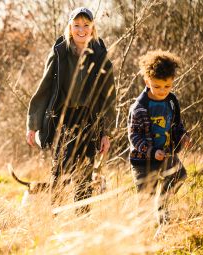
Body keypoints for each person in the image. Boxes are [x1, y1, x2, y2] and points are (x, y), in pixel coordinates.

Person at [25, 7, 116, 212]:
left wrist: (106, 132)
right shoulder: (59, 53)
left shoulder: (100, 55)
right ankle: (55, 216)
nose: (81, 30)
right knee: (60, 169)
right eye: (76, 25)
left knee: (84, 172)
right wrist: (33, 124)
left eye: (86, 25)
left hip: (88, 120)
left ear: (93, 28)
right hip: (62, 119)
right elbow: (45, 87)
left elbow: (109, 96)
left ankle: (82, 218)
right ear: (70, 27)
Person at [128, 50, 191, 224]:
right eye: (157, 86)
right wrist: (151, 151)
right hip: (143, 160)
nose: (162, 91)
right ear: (147, 81)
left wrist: (183, 136)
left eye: (167, 86)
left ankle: (163, 207)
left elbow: (177, 124)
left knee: (179, 175)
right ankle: (139, 234)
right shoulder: (140, 107)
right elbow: (134, 136)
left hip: (166, 154)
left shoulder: (172, 101)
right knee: (145, 200)